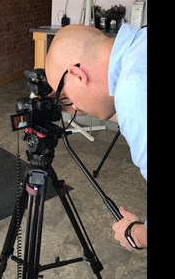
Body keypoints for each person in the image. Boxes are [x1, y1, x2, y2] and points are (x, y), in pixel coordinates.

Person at [45, 23, 147, 251]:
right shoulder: (140, 45)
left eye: (65, 96)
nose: (72, 106)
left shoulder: (135, 88)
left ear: (77, 75)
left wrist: (135, 234)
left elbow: (136, 101)